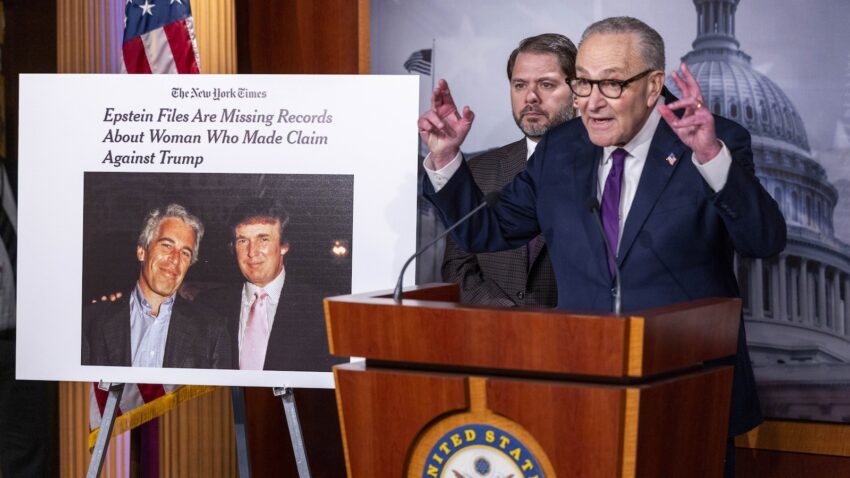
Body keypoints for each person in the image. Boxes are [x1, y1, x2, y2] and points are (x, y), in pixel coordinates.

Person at [419, 17, 786, 477]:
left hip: (688, 396)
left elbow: (764, 241)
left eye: (611, 84)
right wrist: (446, 159)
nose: (591, 102)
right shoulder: (561, 148)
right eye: (583, 83)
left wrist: (711, 159)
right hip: (582, 388)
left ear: (653, 86)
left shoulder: (711, 140)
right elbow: (485, 231)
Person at [434, 33, 576, 307]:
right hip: (493, 328)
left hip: (573, 328)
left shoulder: (601, 167)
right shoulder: (479, 170)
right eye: (519, 85)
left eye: (546, 84)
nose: (531, 97)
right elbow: (457, 266)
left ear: (578, 91)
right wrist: (509, 319)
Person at [81, 203, 233, 369]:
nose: (175, 259)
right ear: (142, 251)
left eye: (185, 253)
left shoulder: (212, 331)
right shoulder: (91, 322)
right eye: (167, 245)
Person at [202, 198, 344, 371]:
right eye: (243, 241)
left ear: (284, 246)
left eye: (263, 239)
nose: (252, 252)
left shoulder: (323, 312)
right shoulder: (208, 306)